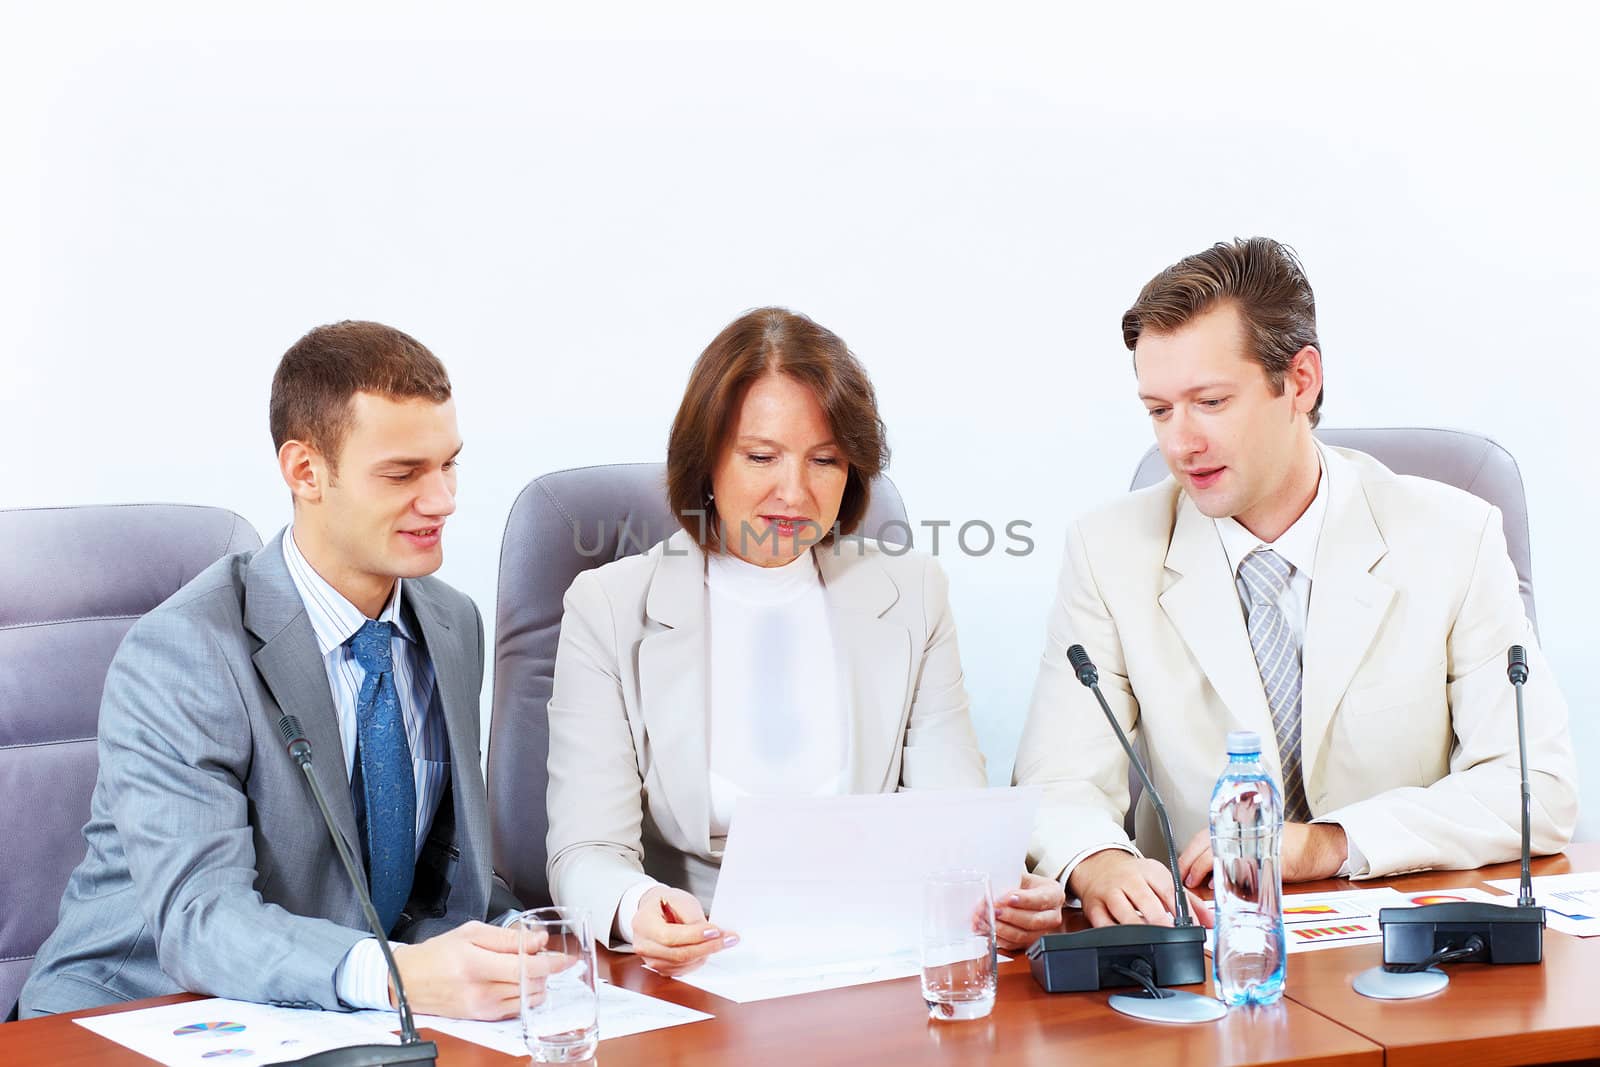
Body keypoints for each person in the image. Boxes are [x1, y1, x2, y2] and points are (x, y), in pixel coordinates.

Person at [1014, 238, 1578, 929]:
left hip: (1411, 945)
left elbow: (1535, 792)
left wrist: (1326, 844)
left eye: (1210, 401)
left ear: (1301, 380)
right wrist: (1099, 859)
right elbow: (1058, 780)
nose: (1179, 443)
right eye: (1159, 410)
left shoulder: (1453, 536)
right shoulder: (1108, 550)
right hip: (1207, 952)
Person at [21, 321, 535, 1019]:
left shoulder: (451, 622)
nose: (443, 499)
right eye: (403, 472)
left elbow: (435, 876)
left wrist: (519, 941)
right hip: (144, 1012)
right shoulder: (185, 651)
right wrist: (399, 976)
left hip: (333, 1016)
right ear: (304, 472)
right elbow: (202, 916)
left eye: (449, 464)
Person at [545, 307, 1064, 974]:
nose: (794, 491)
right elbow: (585, 852)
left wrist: (1005, 893)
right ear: (706, 459)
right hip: (698, 976)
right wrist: (637, 903)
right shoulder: (611, 606)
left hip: (884, 964)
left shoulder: (912, 591)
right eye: (762, 456)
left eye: (826, 459)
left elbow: (950, 826)